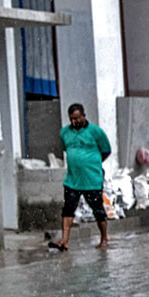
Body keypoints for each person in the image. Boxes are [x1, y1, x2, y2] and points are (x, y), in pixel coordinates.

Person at [49, 103, 111, 251]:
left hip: (92, 179)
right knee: (68, 209)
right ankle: (65, 240)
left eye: (77, 118)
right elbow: (66, 149)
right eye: (71, 119)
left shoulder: (95, 132)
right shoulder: (65, 132)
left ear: (83, 116)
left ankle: (104, 238)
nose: (74, 122)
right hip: (73, 179)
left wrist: (93, 162)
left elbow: (106, 150)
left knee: (98, 210)